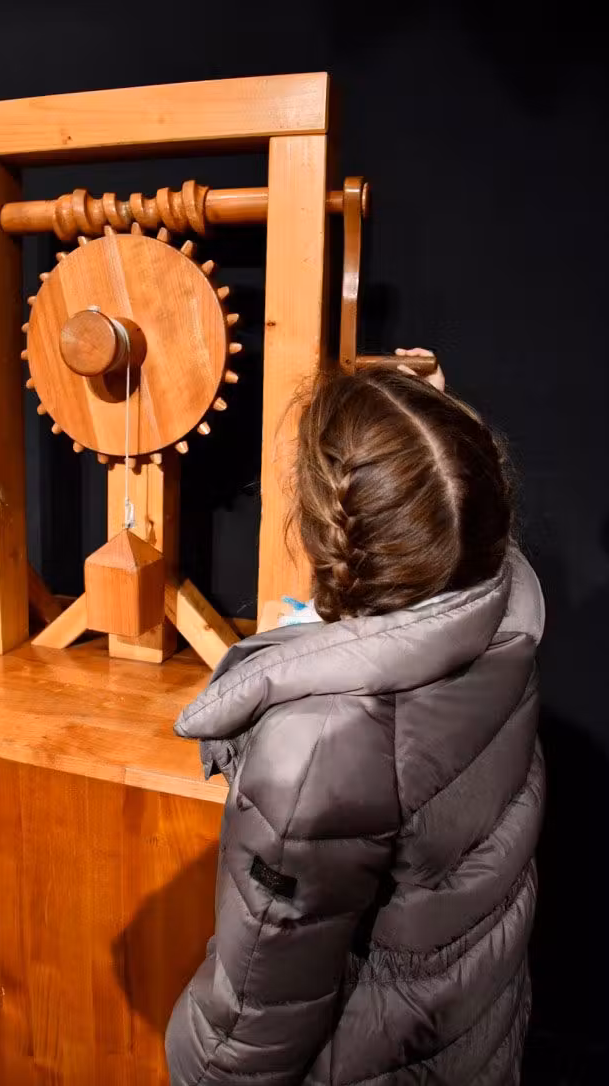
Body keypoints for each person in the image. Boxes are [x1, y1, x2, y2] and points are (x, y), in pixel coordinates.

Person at [166, 350, 545, 1085]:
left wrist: (186, 1059)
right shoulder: (508, 610)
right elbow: (457, 515)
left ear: (315, 523)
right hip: (472, 1038)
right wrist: (427, 427)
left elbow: (247, 1035)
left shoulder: (317, 748)